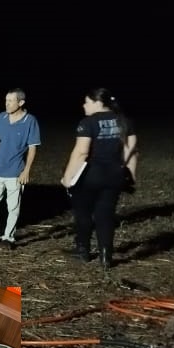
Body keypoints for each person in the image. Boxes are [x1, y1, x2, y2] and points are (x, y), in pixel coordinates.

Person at [60, 88, 138, 270]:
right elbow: (132, 149)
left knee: (83, 213)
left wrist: (67, 177)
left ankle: (83, 251)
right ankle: (106, 256)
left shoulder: (88, 123)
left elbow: (81, 152)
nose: (83, 105)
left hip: (90, 175)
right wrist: (129, 173)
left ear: (97, 103)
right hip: (114, 175)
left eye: (86, 102)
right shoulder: (124, 121)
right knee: (105, 215)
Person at [0, 88, 41, 250]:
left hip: (15, 172)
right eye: (6, 100)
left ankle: (8, 238)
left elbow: (33, 148)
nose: (7, 104)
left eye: (10, 101)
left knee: (13, 207)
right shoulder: (1, 117)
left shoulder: (30, 121)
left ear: (21, 102)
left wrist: (26, 170)